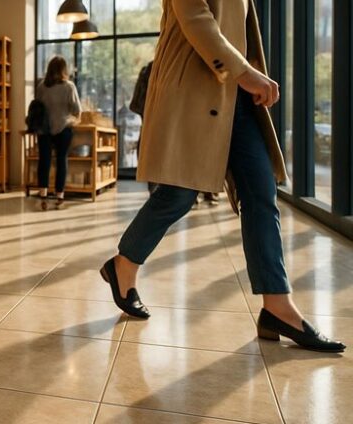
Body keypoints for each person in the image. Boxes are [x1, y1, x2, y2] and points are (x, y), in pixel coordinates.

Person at [99, 0, 344, 352]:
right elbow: (195, 17)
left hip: (237, 98)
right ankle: (123, 266)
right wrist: (244, 71)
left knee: (261, 192)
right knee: (179, 194)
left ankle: (278, 306)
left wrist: (246, 73)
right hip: (197, 91)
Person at [35, 56, 82, 210]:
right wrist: (72, 119)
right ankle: (59, 197)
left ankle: (43, 196)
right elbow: (77, 110)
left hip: (44, 130)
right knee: (61, 161)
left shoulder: (41, 86)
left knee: (44, 162)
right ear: (64, 69)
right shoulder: (69, 86)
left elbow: (37, 108)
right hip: (63, 128)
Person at [129, 61, 156, 194]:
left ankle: (153, 188)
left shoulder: (147, 70)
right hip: (160, 118)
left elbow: (136, 103)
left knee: (148, 148)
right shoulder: (157, 68)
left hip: (148, 118)